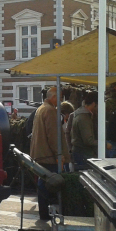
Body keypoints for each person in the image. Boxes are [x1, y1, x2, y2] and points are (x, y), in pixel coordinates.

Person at [30, 86, 70, 220]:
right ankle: (45, 214)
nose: (61, 100)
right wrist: (59, 155)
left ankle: (43, 213)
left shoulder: (41, 109)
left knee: (44, 183)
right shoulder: (50, 110)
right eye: (60, 97)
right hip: (48, 155)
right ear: (53, 97)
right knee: (49, 184)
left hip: (41, 153)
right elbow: (53, 136)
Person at [71, 92, 101, 171]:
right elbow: (88, 140)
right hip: (83, 154)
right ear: (94, 104)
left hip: (80, 153)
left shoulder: (82, 115)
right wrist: (104, 144)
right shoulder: (84, 118)